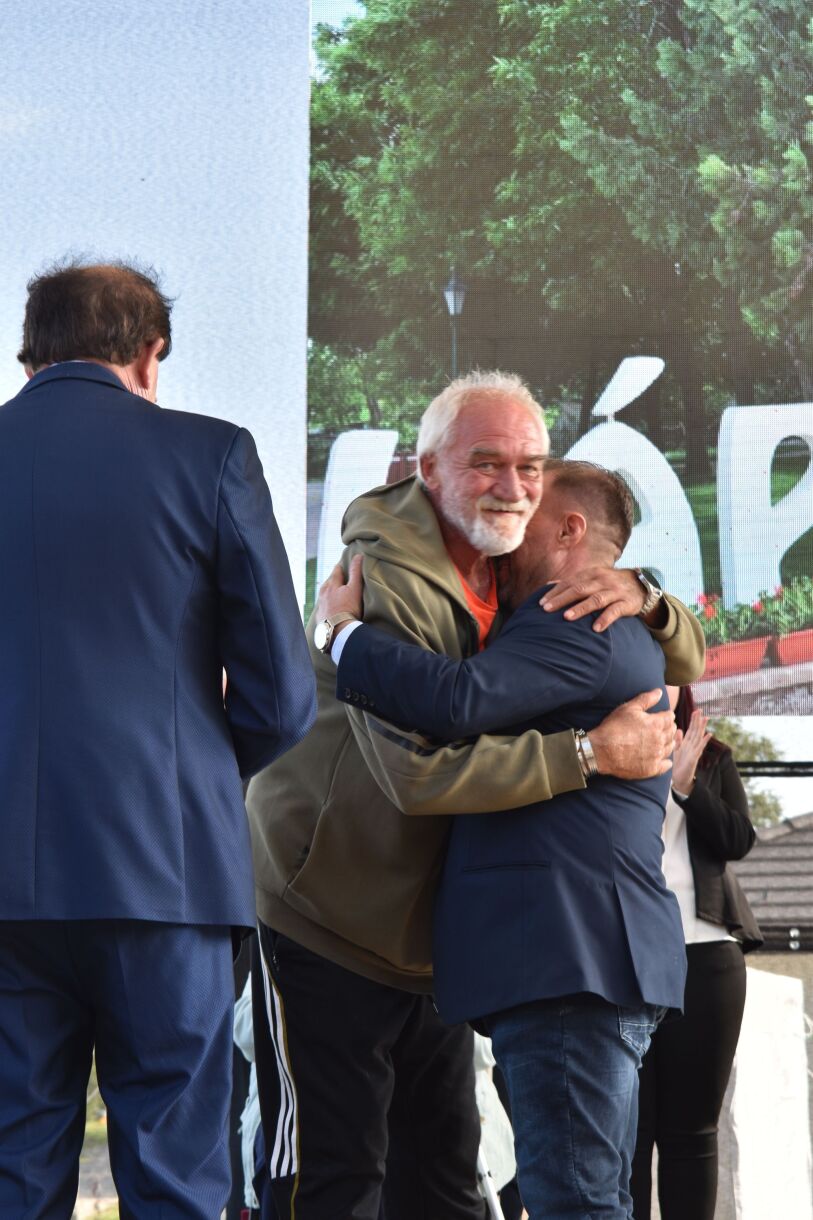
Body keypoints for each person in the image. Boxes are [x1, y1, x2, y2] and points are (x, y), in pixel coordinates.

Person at [247, 373, 703, 1219]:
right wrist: (588, 753)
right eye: (486, 462)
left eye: (531, 467)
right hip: (330, 918)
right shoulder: (394, 571)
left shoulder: (548, 589)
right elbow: (421, 769)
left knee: (458, 1184)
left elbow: (677, 654)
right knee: (338, 1177)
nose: (514, 487)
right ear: (428, 469)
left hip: (449, 945)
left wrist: (648, 595)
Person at [0, 261, 316, 1218]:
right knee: (178, 1177)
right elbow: (282, 697)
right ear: (151, 353)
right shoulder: (211, 456)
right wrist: (194, 775)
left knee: (12, 1171)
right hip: (167, 873)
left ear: (29, 356)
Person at [630, 686, 762, 1220]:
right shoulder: (601, 746)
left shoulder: (713, 757)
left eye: (671, 672)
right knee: (627, 1132)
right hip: (625, 956)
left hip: (707, 955)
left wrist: (686, 787)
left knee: (692, 1132)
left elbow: (737, 839)